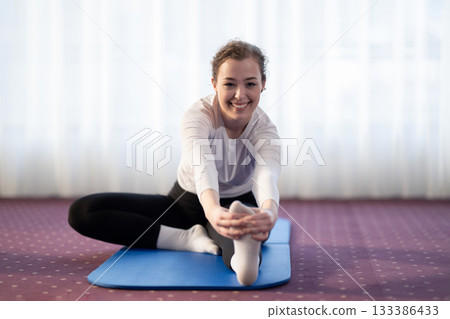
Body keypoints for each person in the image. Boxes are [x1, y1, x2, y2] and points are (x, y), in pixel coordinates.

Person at [68, 40, 281, 286]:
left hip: (239, 205)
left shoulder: (266, 131)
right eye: (230, 84)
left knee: (245, 234)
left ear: (263, 84)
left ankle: (242, 253)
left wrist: (268, 213)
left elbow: (267, 175)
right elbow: (203, 166)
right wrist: (212, 211)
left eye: (250, 84)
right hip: (185, 203)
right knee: (83, 211)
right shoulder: (197, 116)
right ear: (214, 85)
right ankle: (186, 239)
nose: (240, 95)